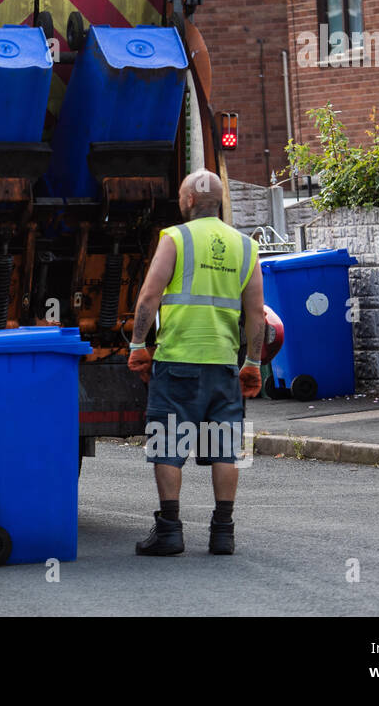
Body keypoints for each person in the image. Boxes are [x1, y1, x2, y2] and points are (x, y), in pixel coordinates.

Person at [126, 170, 264, 556]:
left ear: (187, 202)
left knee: (168, 444)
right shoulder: (244, 246)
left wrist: (138, 344)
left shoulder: (175, 238)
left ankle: (169, 531)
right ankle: (223, 533)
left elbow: (149, 296)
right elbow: (256, 314)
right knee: (226, 446)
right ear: (217, 202)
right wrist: (251, 362)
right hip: (223, 365)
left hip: (177, 361)